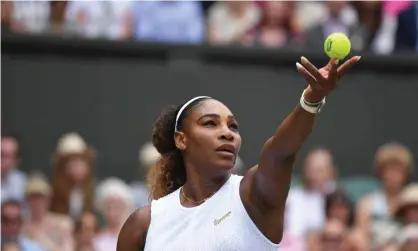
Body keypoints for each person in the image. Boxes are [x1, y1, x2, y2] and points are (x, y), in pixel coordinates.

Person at [116, 55, 361, 251]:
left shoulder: (253, 195)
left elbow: (280, 152)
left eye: (233, 126)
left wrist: (311, 100)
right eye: (210, 123)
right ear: (181, 139)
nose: (227, 133)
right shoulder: (143, 224)